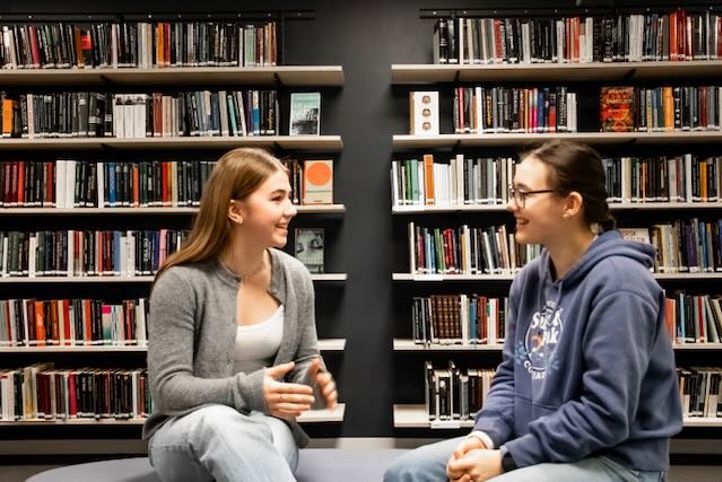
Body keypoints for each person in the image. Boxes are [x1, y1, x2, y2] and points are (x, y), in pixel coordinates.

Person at [384, 139, 683, 482]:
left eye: (524, 194)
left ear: (570, 204)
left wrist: (507, 459)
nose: (512, 205)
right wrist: (484, 435)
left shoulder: (621, 285)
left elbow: (605, 415)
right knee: (406, 472)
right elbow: (511, 375)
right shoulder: (529, 280)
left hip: (616, 459)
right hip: (535, 445)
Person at [143, 147, 338, 482]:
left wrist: (312, 383)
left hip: (266, 424)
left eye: (289, 197)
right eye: (277, 199)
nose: (291, 209)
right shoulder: (181, 281)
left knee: (270, 437)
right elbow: (168, 389)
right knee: (219, 421)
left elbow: (306, 357)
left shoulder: (295, 276)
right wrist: (249, 391)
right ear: (235, 210)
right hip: (187, 431)